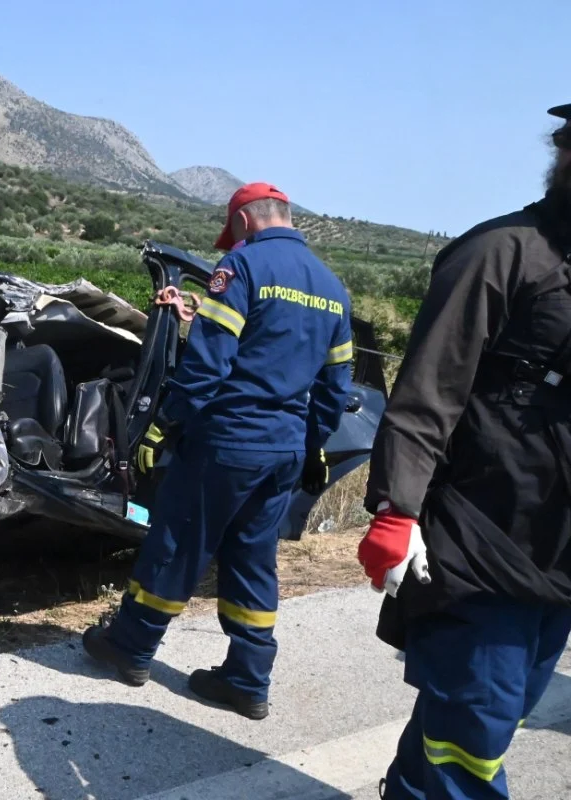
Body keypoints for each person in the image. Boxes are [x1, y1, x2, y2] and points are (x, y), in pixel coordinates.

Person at [81, 182, 354, 720]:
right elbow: (335, 386)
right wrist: (313, 445)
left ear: (245, 224)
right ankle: (248, 680)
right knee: (253, 559)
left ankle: (131, 647)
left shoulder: (244, 269)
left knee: (179, 541)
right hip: (283, 450)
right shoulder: (333, 289)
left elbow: (208, 365)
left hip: (228, 441)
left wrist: (165, 424)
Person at [361, 103, 571, 800]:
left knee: (481, 716)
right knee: (471, 745)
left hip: (557, 553)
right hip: (478, 539)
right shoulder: (501, 252)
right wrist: (396, 509)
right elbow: (427, 391)